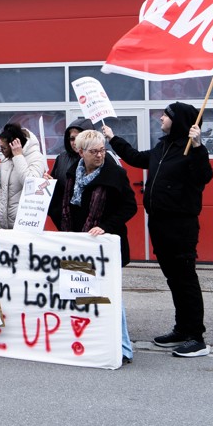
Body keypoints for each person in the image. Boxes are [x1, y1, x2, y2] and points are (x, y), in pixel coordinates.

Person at [103, 102, 213, 358]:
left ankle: (196, 337)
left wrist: (198, 147)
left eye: (166, 115)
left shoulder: (192, 149)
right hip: (159, 223)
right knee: (173, 279)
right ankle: (182, 329)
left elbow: (204, 177)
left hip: (180, 225)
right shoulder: (163, 147)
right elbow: (136, 157)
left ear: (178, 120)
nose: (161, 118)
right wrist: (113, 138)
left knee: (185, 279)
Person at [47, 130, 138, 364]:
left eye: (102, 150)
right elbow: (61, 206)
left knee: (109, 295)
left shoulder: (115, 174)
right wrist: (47, 188)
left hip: (103, 247)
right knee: (80, 293)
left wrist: (105, 227)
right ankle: (86, 341)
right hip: (77, 244)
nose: (100, 155)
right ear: (81, 152)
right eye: (94, 151)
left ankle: (123, 347)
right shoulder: (71, 173)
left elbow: (130, 207)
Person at [0, 122, 47, 229]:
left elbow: (31, 184)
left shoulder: (36, 157)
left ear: (14, 145)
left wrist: (18, 156)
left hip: (26, 221)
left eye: (3, 148)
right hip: (4, 222)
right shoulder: (5, 158)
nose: (1, 151)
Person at [51, 118, 94, 182]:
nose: (75, 142)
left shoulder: (99, 157)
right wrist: (50, 181)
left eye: (79, 138)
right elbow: (56, 183)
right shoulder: (61, 158)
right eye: (72, 139)